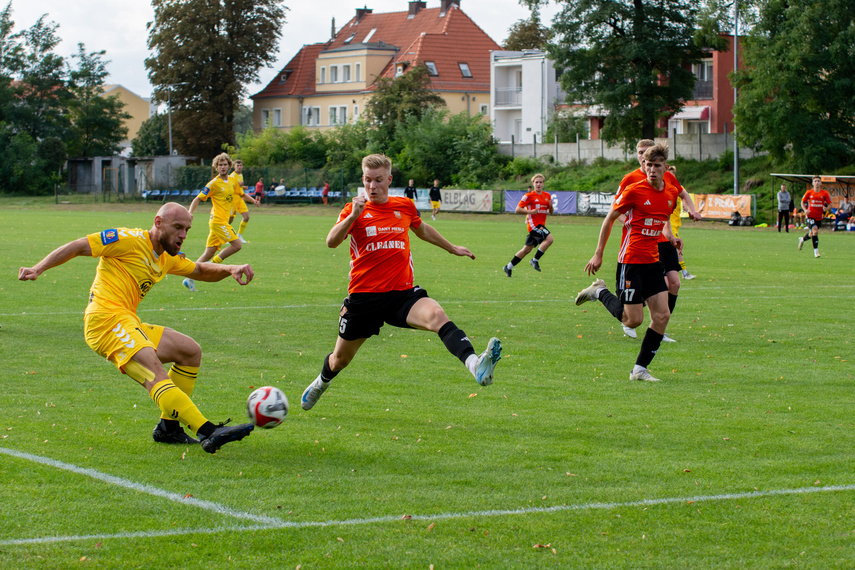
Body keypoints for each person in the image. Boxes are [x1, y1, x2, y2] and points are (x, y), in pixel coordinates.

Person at [18, 203, 255, 453]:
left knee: (189, 351)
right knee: (154, 371)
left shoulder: (165, 258)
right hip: (105, 321)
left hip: (127, 321)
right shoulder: (127, 239)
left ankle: (168, 428)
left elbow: (200, 270)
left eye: (187, 229)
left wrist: (230, 268)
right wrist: (38, 268)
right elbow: (78, 246)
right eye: (178, 227)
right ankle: (208, 431)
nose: (183, 235)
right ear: (158, 222)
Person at [299, 154, 502, 411]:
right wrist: (353, 217)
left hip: (401, 294)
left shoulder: (404, 205)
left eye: (379, 180)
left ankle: (476, 365)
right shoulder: (354, 209)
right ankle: (321, 382)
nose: (372, 186)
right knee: (340, 359)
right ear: (363, 179)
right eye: (368, 180)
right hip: (364, 298)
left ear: (389, 179)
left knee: (437, 315)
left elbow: (422, 229)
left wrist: (451, 248)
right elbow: (331, 241)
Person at [574, 143, 681, 382]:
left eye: (657, 165)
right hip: (631, 261)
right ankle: (600, 292)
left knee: (662, 315)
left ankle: (639, 369)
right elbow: (609, 218)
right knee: (634, 320)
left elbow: (662, 221)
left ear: (666, 167)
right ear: (644, 165)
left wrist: (671, 237)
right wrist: (598, 253)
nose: (652, 169)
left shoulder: (670, 193)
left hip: (654, 261)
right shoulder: (634, 190)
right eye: (648, 165)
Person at [616, 140, 700, 341]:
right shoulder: (631, 179)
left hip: (663, 239)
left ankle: (659, 327)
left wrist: (689, 212)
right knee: (650, 288)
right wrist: (630, 223)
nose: (645, 159)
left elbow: (665, 209)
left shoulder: (666, 176)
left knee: (674, 283)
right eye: (641, 154)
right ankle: (631, 314)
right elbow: (615, 210)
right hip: (639, 244)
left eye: (648, 154)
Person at [183, 153, 259, 292]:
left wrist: (254, 201)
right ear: (216, 167)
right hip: (217, 221)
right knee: (237, 245)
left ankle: (189, 277)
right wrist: (189, 212)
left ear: (229, 166)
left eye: (225, 164)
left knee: (209, 252)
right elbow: (197, 198)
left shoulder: (232, 181)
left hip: (221, 221)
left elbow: (241, 194)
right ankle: (213, 265)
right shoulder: (213, 184)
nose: (222, 167)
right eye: (220, 165)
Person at [503, 174, 554, 276]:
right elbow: (517, 209)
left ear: (543, 183)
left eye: (540, 182)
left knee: (527, 249)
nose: (538, 184)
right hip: (534, 225)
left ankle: (508, 267)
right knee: (549, 239)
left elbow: (551, 212)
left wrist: (551, 206)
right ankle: (535, 260)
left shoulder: (547, 195)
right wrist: (530, 212)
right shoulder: (528, 196)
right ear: (533, 184)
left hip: (541, 225)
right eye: (536, 182)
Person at [666, 165, 696, 280]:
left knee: (673, 249)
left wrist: (689, 211)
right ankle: (684, 272)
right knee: (677, 248)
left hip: (676, 224)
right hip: (669, 225)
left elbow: (684, 202)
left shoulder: (678, 188)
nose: (672, 176)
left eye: (673, 174)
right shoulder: (664, 187)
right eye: (670, 174)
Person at [798, 176, 832, 258]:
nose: (817, 182)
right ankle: (816, 251)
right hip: (810, 216)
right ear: (812, 183)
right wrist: (805, 210)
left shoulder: (824, 193)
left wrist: (826, 208)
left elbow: (830, 204)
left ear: (821, 183)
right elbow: (802, 202)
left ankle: (802, 239)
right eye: (815, 181)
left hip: (819, 217)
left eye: (818, 181)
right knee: (815, 231)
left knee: (812, 234)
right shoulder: (809, 192)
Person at [227, 159, 255, 244]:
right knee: (230, 220)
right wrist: (240, 184)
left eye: (240, 165)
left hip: (240, 199)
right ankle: (225, 236)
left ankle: (239, 235)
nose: (239, 167)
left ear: (242, 166)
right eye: (237, 166)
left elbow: (239, 188)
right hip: (233, 200)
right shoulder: (232, 175)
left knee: (246, 217)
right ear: (234, 167)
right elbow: (231, 186)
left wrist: (243, 187)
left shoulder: (241, 175)